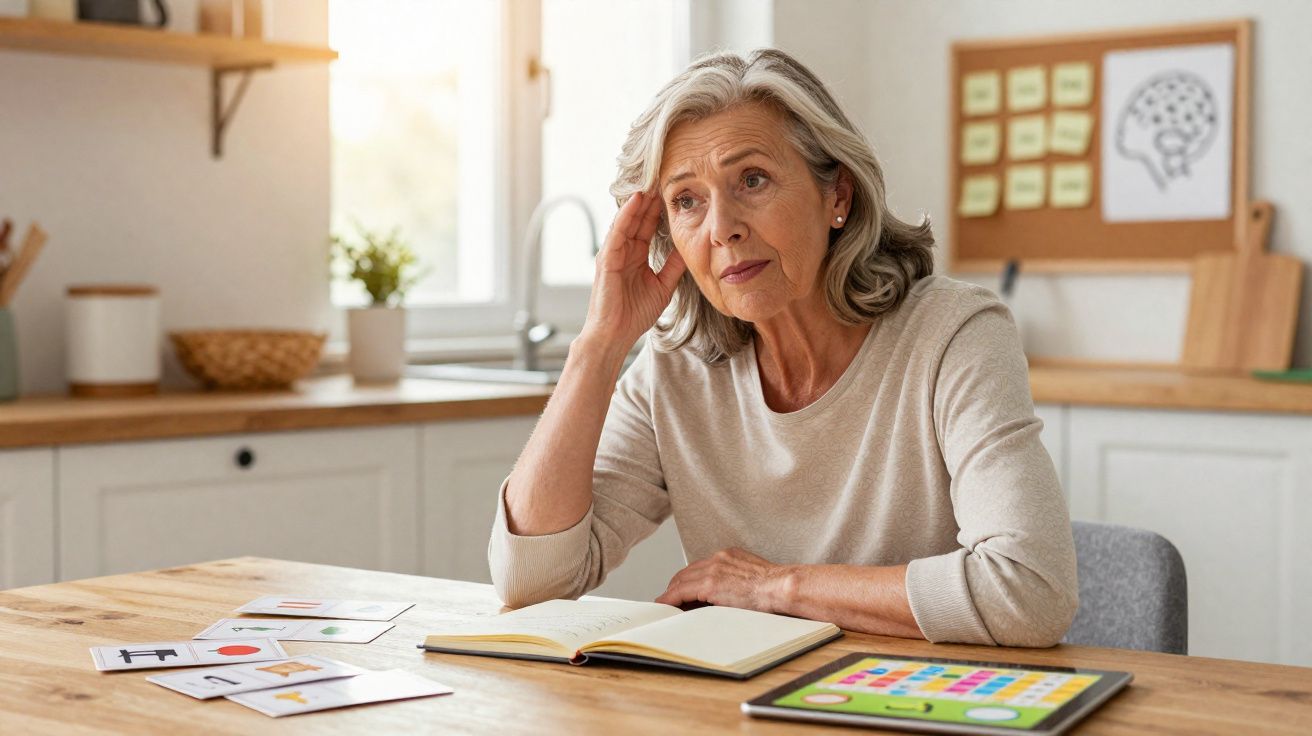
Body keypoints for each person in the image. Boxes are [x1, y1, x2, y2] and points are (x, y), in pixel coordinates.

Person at [487, 49, 1077, 647]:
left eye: (752, 180)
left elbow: (1028, 591)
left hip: (923, 692)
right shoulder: (676, 369)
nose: (722, 227)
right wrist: (599, 344)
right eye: (686, 200)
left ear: (837, 196)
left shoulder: (953, 334)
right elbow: (531, 582)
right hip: (750, 693)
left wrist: (775, 588)